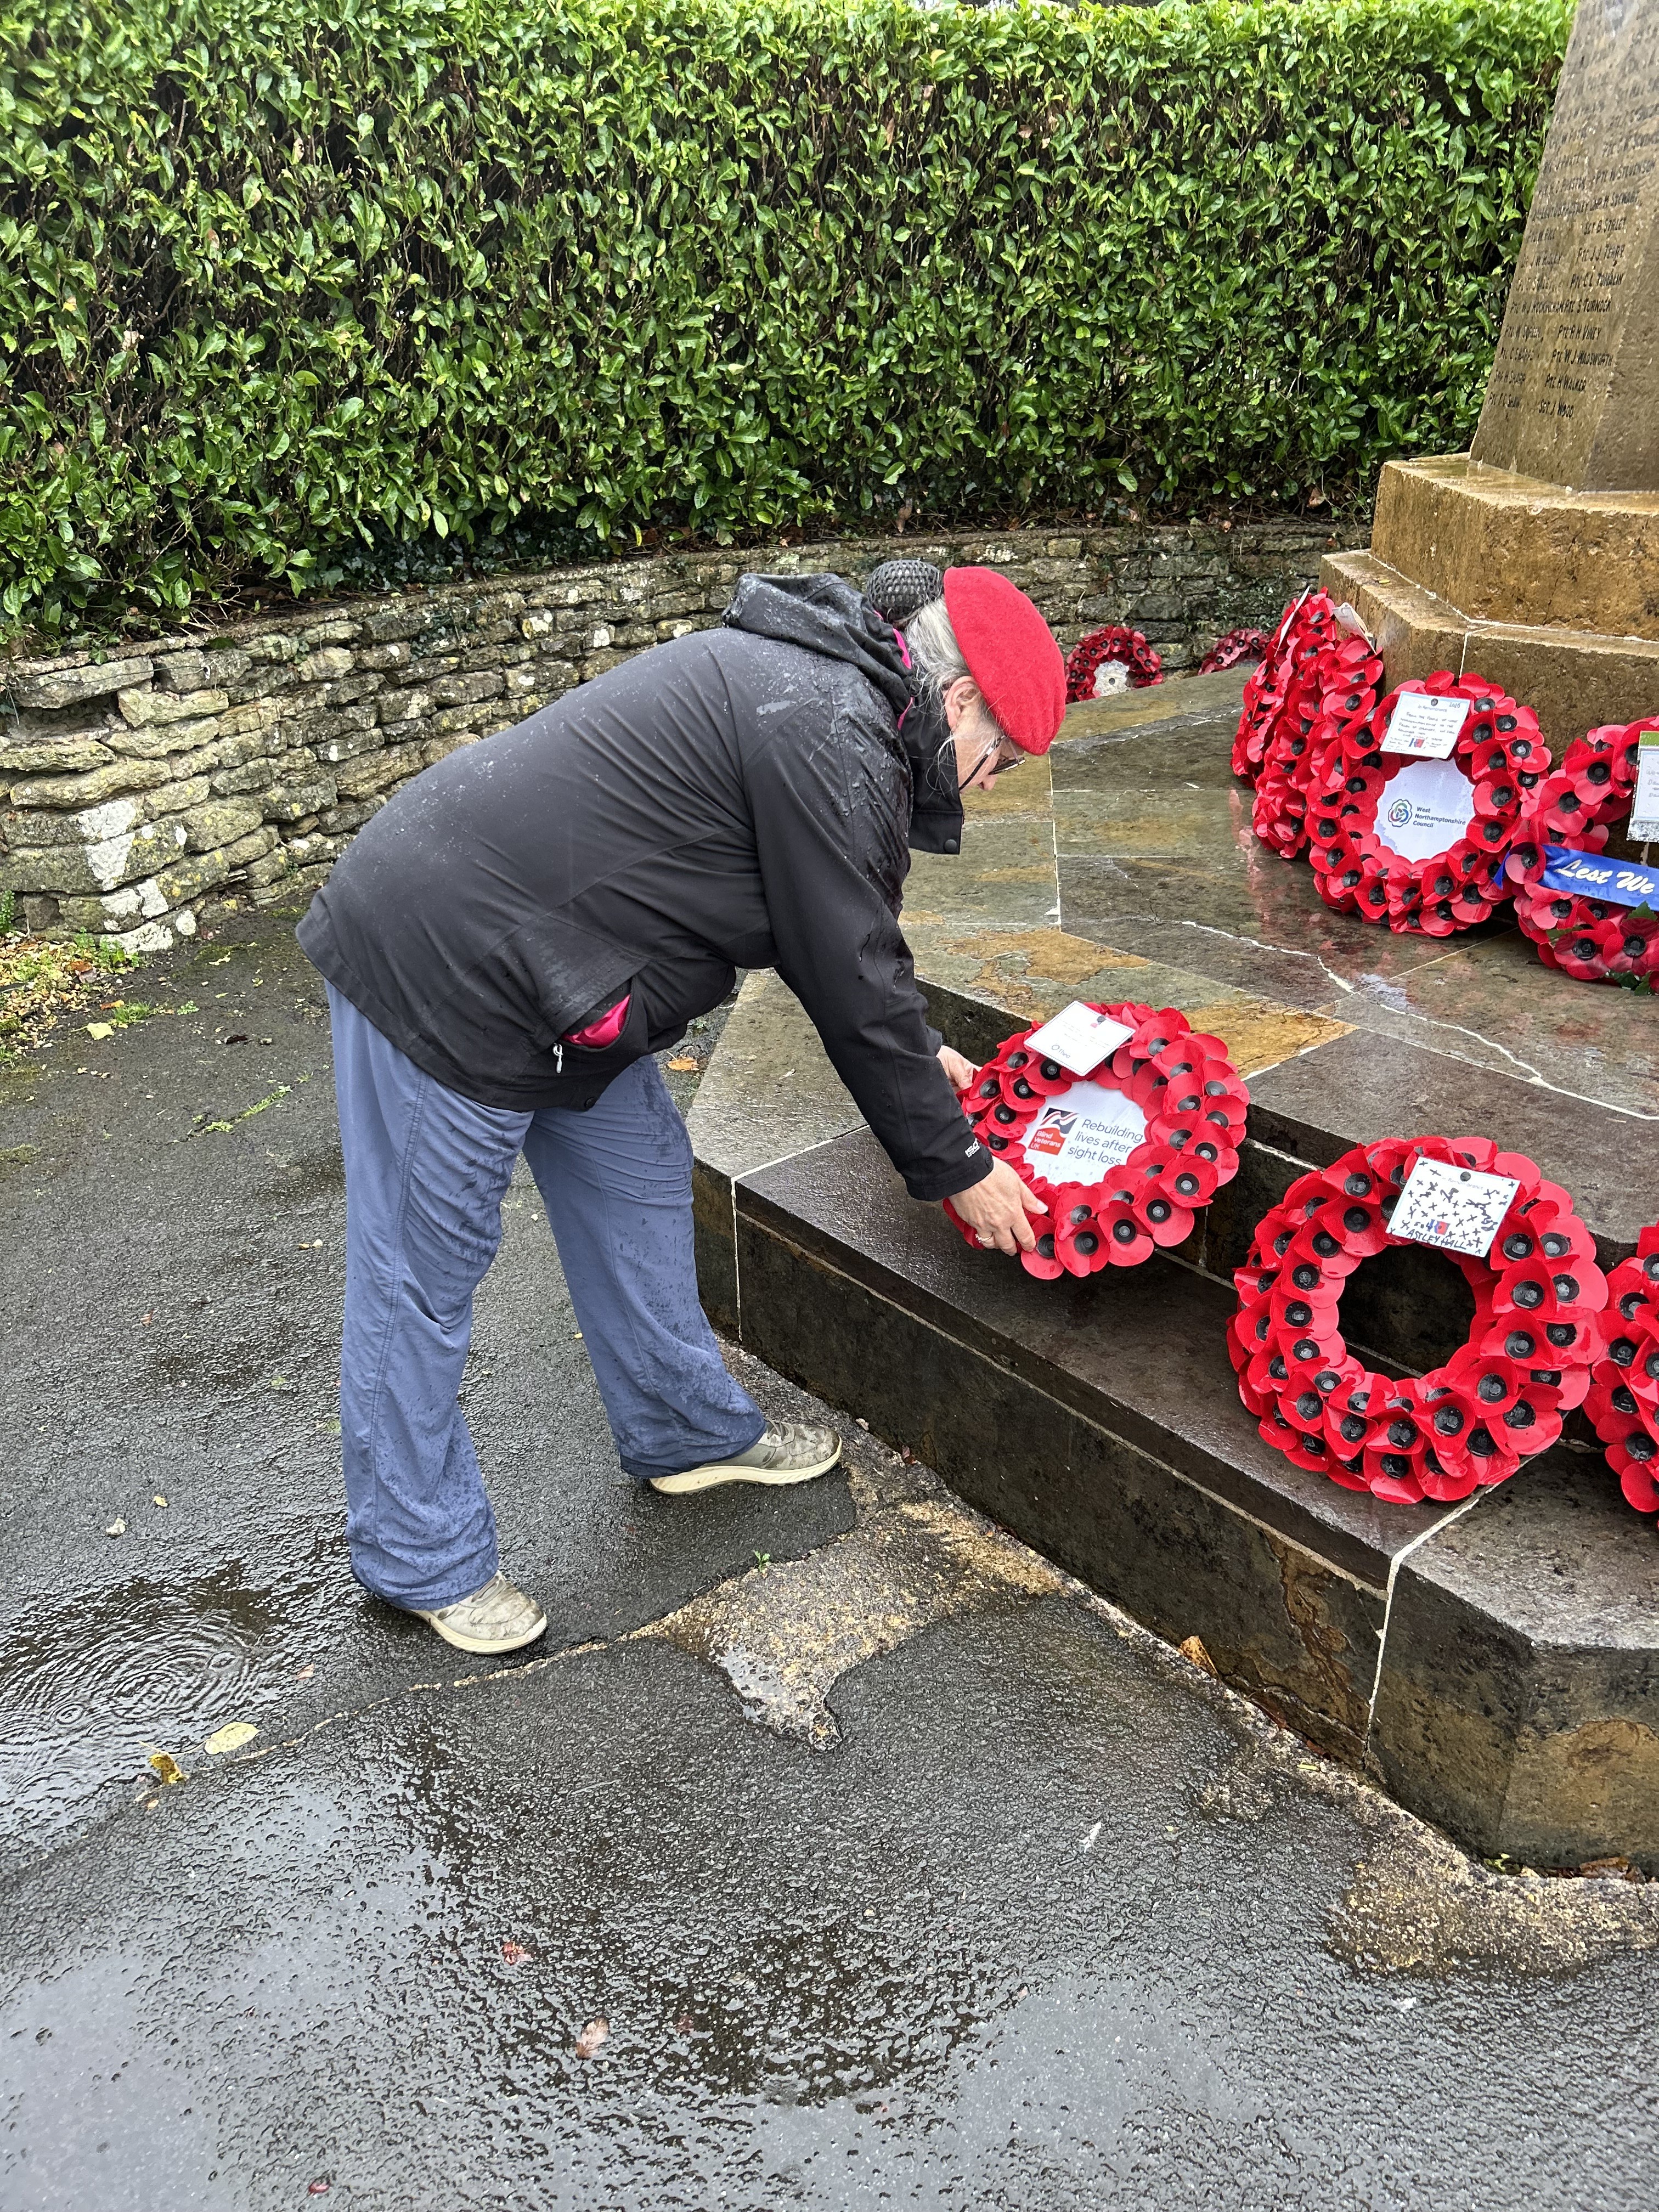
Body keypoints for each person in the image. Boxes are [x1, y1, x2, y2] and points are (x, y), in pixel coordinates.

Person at [297, 564, 1065, 1655]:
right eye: (1003, 756)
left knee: (640, 1182)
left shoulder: (832, 702)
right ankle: (419, 1557)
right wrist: (957, 1167)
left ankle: (684, 1431)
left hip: (566, 979)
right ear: (956, 705)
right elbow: (847, 965)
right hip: (445, 962)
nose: (989, 784)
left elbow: (832, 937)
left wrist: (924, 1048)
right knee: (422, 1272)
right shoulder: (832, 730)